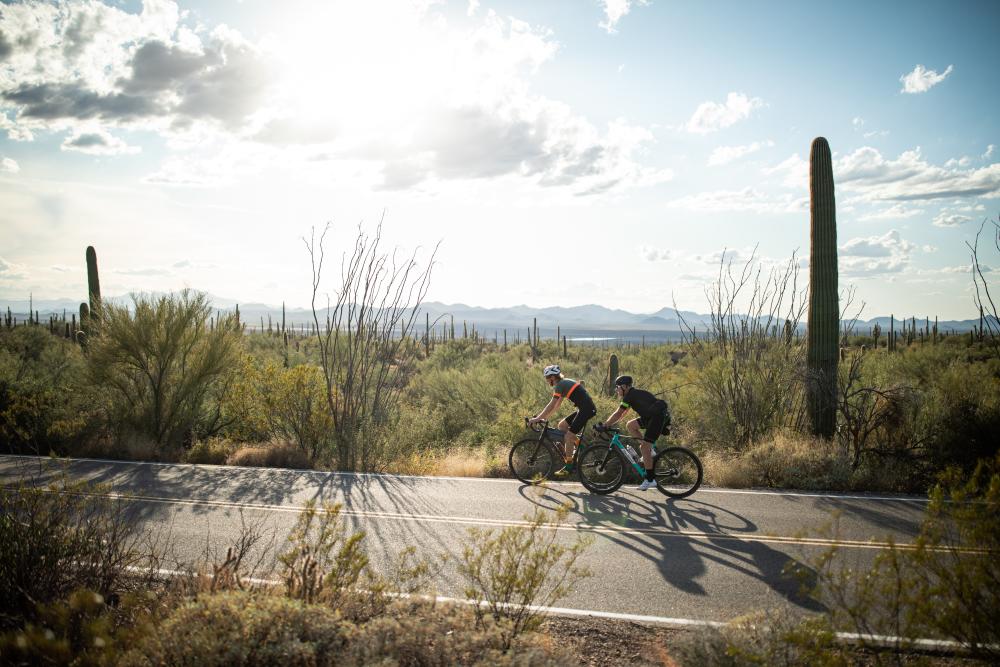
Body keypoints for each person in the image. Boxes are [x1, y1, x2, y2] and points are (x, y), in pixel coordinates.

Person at [600, 375, 671, 491]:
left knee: (644, 448)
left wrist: (605, 425)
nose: (616, 390)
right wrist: (608, 424)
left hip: (657, 418)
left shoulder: (630, 396)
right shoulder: (631, 395)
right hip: (651, 417)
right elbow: (622, 414)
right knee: (630, 425)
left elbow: (618, 413)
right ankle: (650, 451)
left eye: (617, 387)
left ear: (624, 386)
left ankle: (650, 479)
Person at [528, 364, 597, 478]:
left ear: (552, 377)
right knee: (562, 425)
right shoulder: (564, 383)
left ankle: (569, 467)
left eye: (547, 378)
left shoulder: (560, 385)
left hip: (586, 409)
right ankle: (580, 446)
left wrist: (537, 418)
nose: (547, 381)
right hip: (585, 408)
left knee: (568, 436)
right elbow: (557, 405)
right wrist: (545, 417)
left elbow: (551, 404)